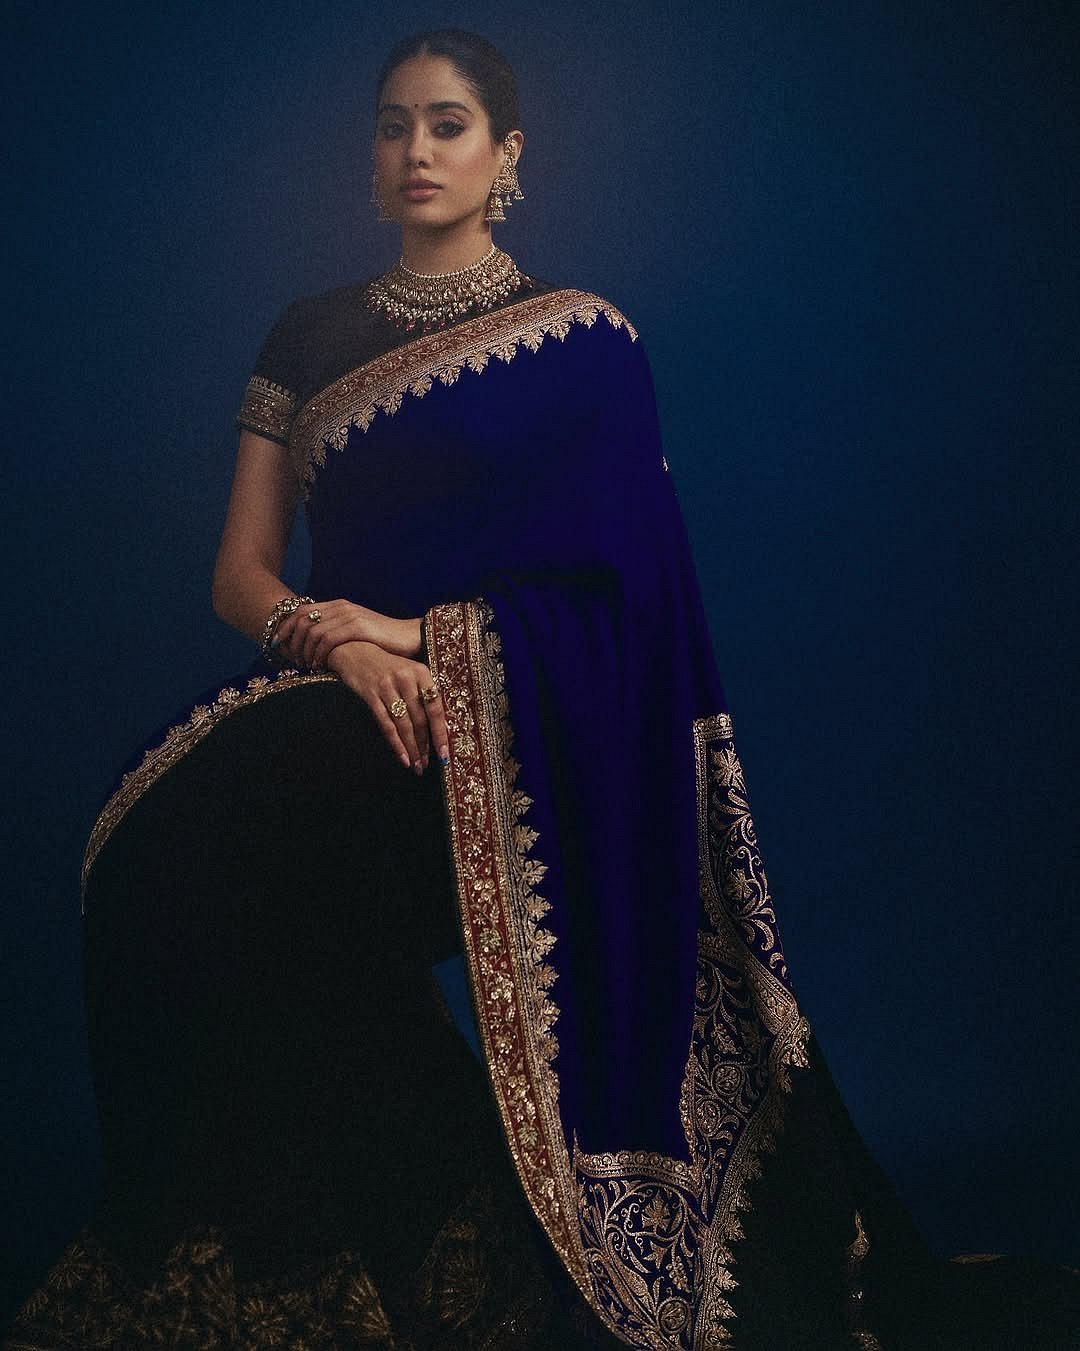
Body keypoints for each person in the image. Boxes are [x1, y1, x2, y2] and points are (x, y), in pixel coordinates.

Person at [6, 27, 1077, 1351]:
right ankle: (313, 1256)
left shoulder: (586, 340)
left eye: (447, 124)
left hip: (521, 738)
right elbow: (240, 575)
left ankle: (409, 1244)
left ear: (506, 153)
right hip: (350, 700)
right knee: (158, 852)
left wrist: (420, 636)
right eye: (393, 125)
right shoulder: (308, 333)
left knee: (258, 853)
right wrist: (340, 648)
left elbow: (632, 596)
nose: (416, 150)